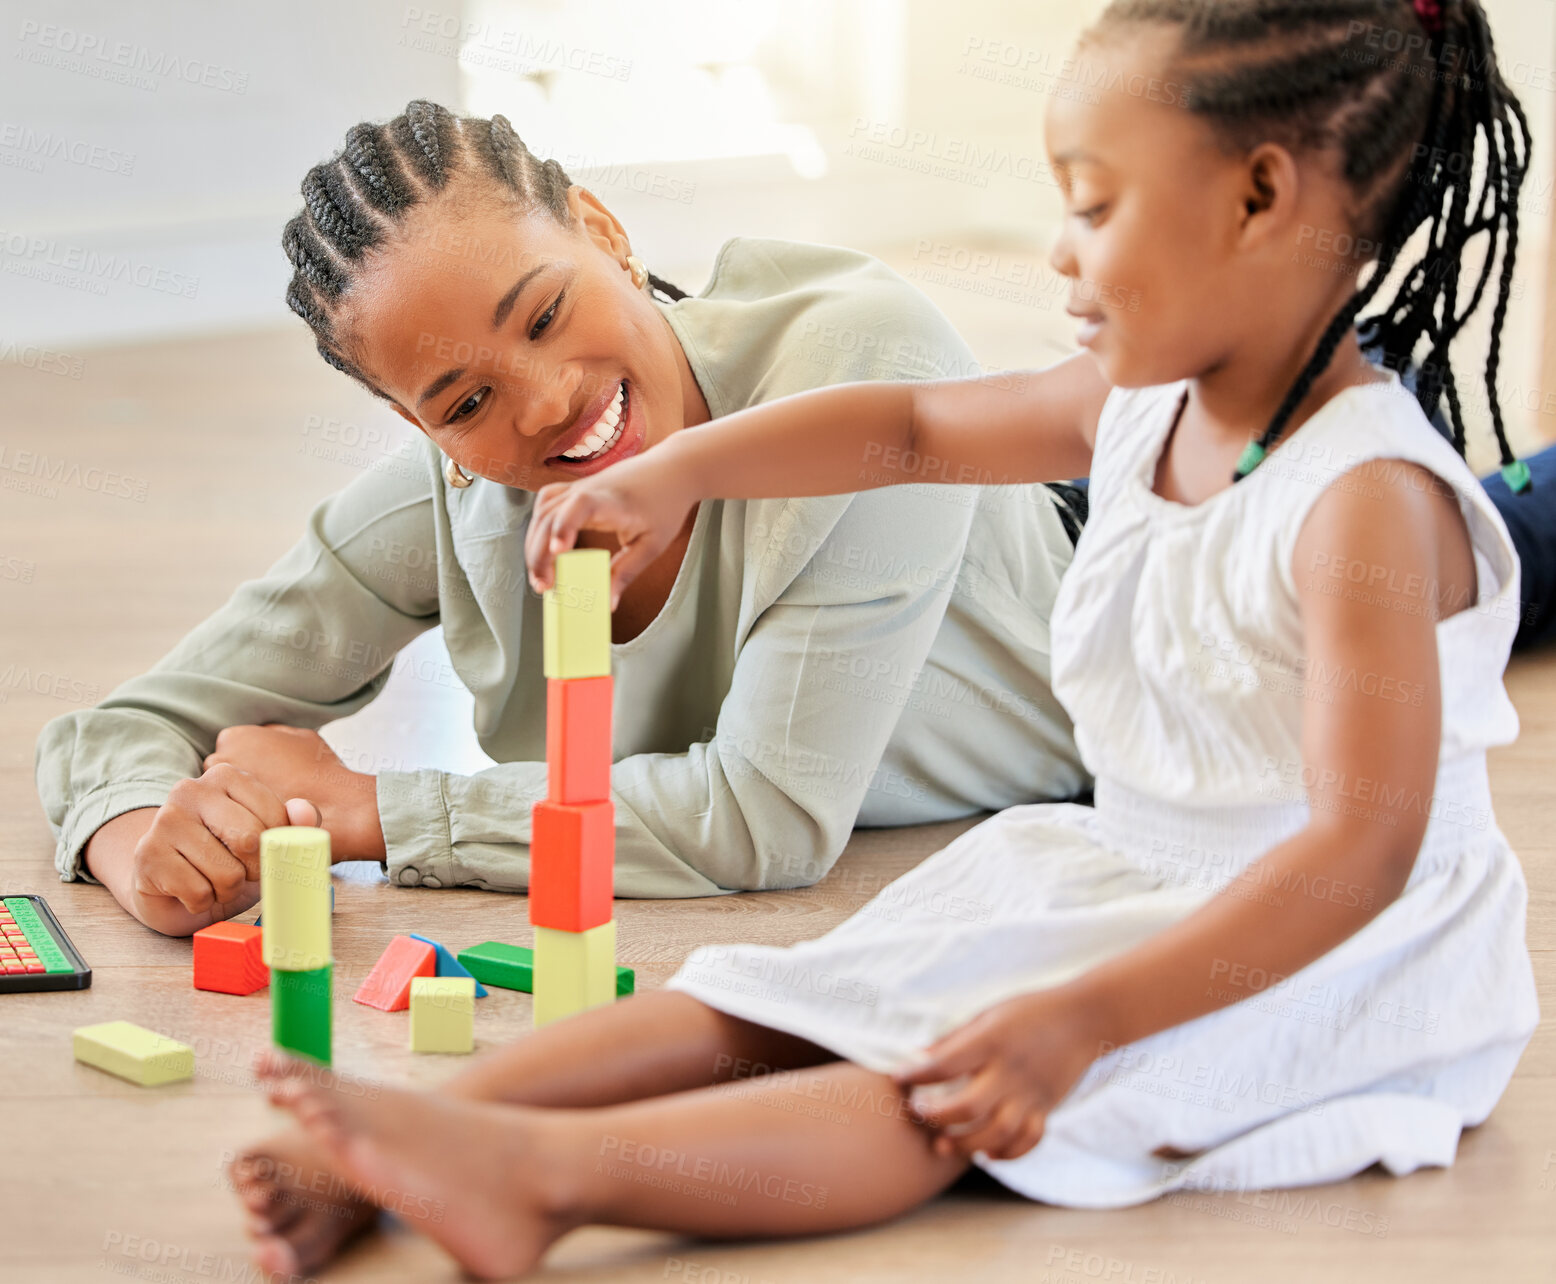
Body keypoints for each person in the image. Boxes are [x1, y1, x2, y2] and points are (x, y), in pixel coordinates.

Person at [233, 1, 1540, 1278]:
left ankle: (544, 1184)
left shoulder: (1365, 498)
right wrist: (675, 471)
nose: (1060, 255)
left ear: (1257, 202)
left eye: (1094, 207)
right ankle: (410, 1144)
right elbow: (912, 431)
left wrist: (1082, 1021)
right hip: (1126, 865)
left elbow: (1357, 857)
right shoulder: (1142, 402)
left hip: (1323, 948)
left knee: (937, 1091)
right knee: (779, 1001)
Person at [34, 102, 1092, 936]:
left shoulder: (860, 358)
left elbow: (762, 821)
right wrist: (144, 847)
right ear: (416, 426)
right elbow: (128, 727)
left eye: (543, 314)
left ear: (602, 231)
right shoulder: (457, 494)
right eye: (460, 404)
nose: (543, 403)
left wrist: (370, 808)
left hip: (1132, 610)